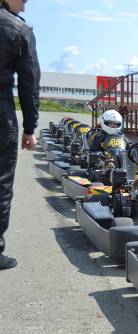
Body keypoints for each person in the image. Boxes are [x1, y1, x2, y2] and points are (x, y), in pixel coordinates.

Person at [0, 0, 40, 270]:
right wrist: (29, 128)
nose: (25, 6)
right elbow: (29, 81)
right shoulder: (18, 29)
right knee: (1, 181)